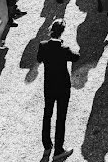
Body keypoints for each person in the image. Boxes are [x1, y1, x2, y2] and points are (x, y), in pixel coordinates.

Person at [36, 19, 79, 160]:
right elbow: (76, 57)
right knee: (61, 116)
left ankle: (47, 145)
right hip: (62, 86)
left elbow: (39, 59)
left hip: (49, 85)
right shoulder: (64, 49)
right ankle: (59, 149)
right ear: (62, 32)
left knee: (47, 114)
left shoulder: (43, 46)